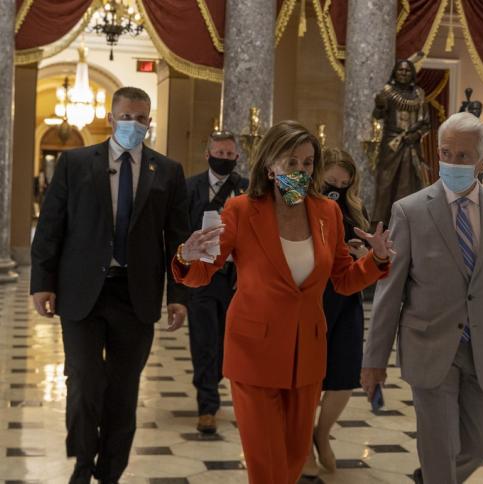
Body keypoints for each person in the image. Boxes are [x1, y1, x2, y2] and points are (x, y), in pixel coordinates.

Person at [172, 120, 393, 484]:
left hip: (307, 353)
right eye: (291, 162)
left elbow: (343, 279)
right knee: (266, 465)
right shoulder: (241, 210)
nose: (301, 171)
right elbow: (201, 274)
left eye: (307, 163)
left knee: (291, 460)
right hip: (254, 353)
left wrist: (377, 260)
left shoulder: (326, 213)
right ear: (270, 164)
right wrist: (186, 256)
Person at [361, 112, 483, 484]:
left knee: (480, 447)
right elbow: (389, 292)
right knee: (439, 448)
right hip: (429, 345)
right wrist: (374, 361)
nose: (452, 162)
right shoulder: (410, 211)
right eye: (446, 153)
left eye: (463, 156)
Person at [30, 87, 190, 483]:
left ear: (149, 122)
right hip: (82, 291)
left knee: (123, 389)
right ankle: (83, 465)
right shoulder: (75, 163)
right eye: (126, 117)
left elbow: (178, 238)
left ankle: (110, 472)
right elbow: (51, 226)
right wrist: (42, 282)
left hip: (135, 295)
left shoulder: (166, 171)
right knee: (84, 382)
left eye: (141, 118)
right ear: (111, 118)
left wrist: (179, 295)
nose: (133, 124)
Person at [301, 148, 370, 478]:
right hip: (314, 298)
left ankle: (322, 433)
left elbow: (366, 254)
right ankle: (303, 445)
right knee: (310, 377)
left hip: (347, 299)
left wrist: (364, 254)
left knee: (345, 373)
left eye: (344, 184)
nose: (338, 189)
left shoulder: (355, 208)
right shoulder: (302, 205)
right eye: (331, 182)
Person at [185, 129, 248, 434]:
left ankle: (217, 382)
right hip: (202, 274)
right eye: (218, 153)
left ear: (237, 157)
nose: (223, 158)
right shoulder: (190, 187)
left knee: (227, 341)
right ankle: (207, 405)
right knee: (204, 340)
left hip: (236, 277)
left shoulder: (246, 189)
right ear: (207, 154)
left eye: (228, 154)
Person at [372, 59, 431, 228]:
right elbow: (377, 115)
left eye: (407, 70)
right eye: (400, 70)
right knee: (386, 182)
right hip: (391, 144)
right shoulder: (388, 92)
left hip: (412, 144)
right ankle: (380, 222)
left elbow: (426, 124)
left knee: (409, 183)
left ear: (412, 73)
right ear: (395, 72)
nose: (403, 73)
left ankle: (406, 220)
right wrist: (379, 105)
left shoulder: (419, 94)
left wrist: (416, 135)